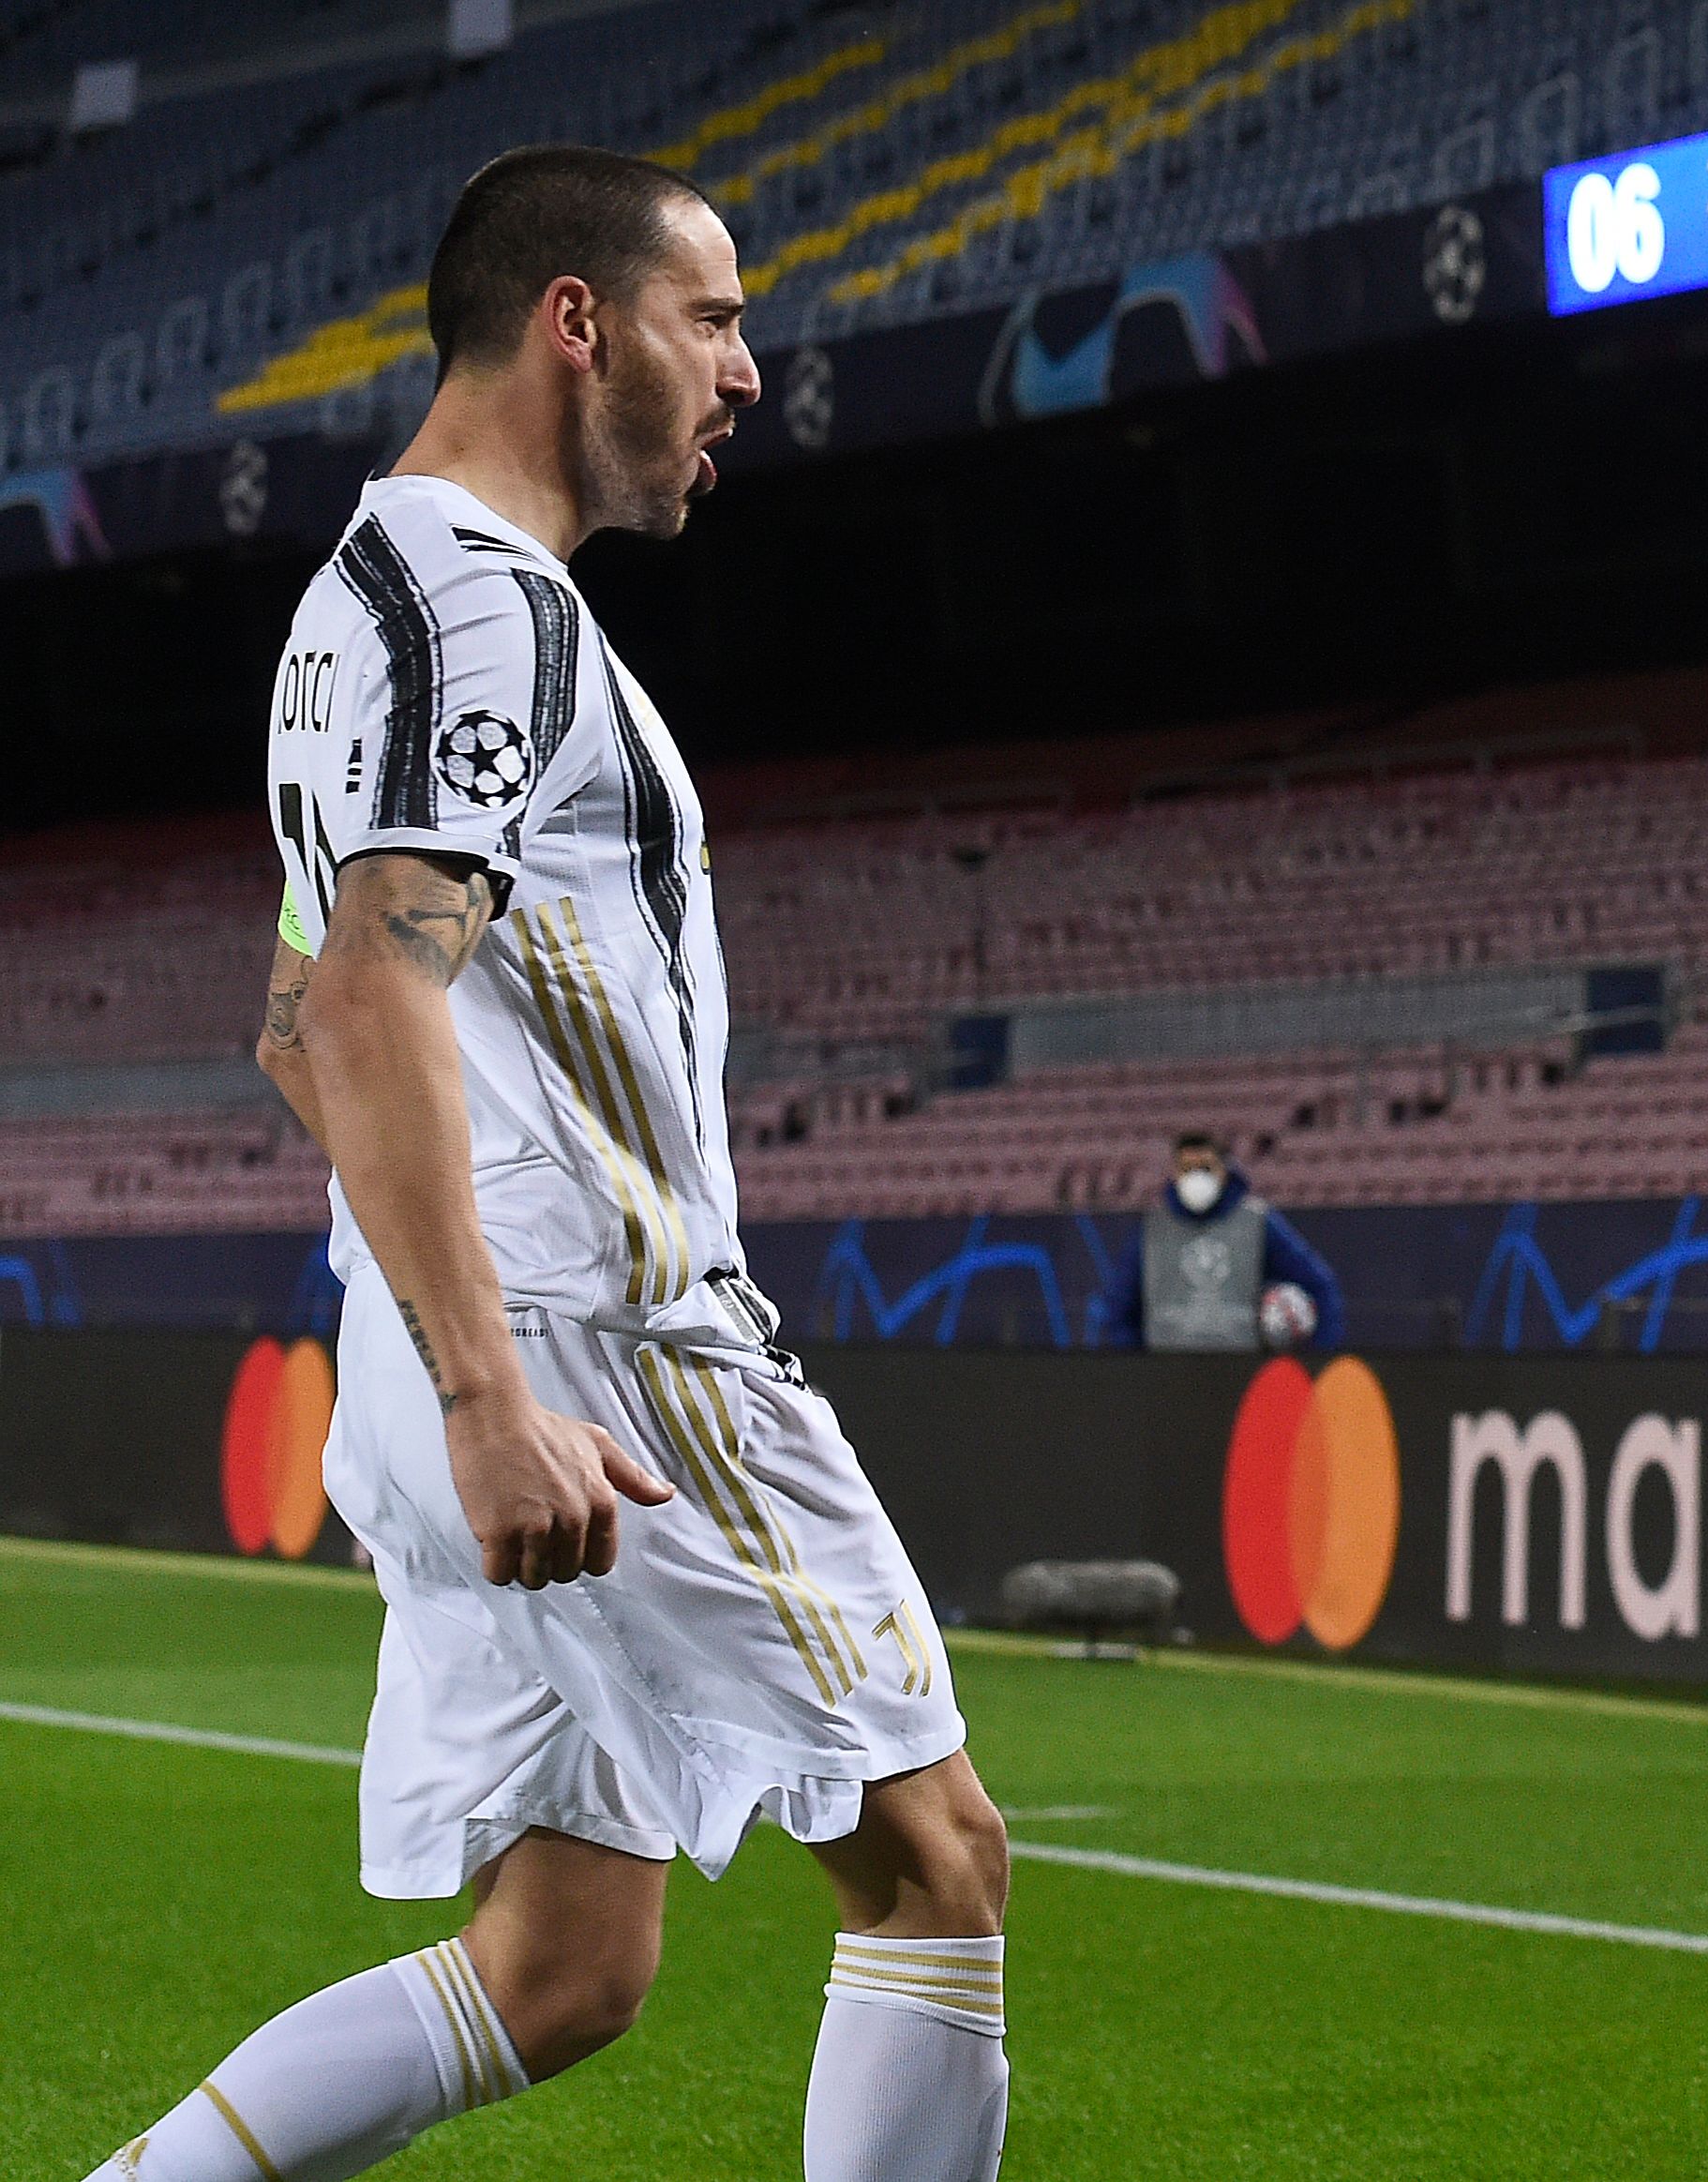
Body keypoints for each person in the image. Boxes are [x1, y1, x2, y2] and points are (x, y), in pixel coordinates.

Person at [84, 148, 1011, 2182]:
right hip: (603, 1370)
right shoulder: (486, 615)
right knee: (935, 1863)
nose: (748, 372)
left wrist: (449, 1359)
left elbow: (288, 1014)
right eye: (717, 316)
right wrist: (505, 1379)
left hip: (478, 1361)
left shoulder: (363, 611)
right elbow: (355, 1011)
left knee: (559, 1961)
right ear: (574, 320)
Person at [1096, 1130, 1345, 1352]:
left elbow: (1320, 1285)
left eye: (1205, 1167)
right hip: (1166, 1373)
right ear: (1174, 1173)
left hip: (1239, 1370)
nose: (1196, 1176)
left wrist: (1321, 1359)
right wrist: (1132, 1367)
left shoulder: (1257, 1222)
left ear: (1224, 1170)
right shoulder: (1151, 1228)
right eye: (1187, 1168)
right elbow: (1120, 1305)